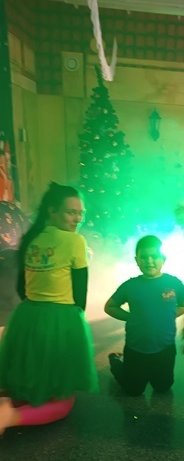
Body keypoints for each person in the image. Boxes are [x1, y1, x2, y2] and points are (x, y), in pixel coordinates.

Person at [0, 182, 97, 434]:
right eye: (71, 212)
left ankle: (8, 404)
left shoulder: (31, 238)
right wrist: (74, 321)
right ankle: (9, 417)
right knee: (63, 400)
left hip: (27, 316)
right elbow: (80, 292)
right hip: (60, 319)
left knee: (30, 382)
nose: (77, 218)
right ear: (52, 211)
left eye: (80, 213)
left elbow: (22, 287)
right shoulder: (75, 241)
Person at [105, 235, 184, 396]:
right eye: (144, 257)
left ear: (163, 258)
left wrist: (168, 315)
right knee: (133, 391)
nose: (149, 261)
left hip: (165, 348)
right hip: (136, 349)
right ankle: (115, 361)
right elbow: (110, 307)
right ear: (136, 260)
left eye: (154, 256)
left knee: (163, 387)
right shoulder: (130, 286)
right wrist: (131, 317)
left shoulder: (174, 283)